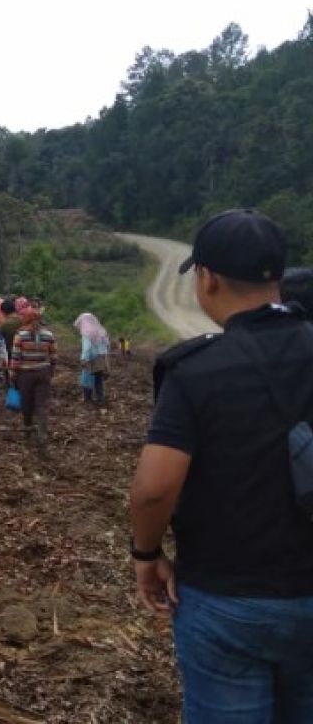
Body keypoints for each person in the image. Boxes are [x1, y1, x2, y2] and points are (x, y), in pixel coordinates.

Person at [129, 209, 313, 722]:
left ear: (206, 279)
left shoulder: (195, 370)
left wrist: (146, 554)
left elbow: (153, 489)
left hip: (228, 598)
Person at [9, 308, 57, 457]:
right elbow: (54, 357)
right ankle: (42, 437)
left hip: (26, 375)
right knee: (42, 406)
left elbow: (16, 357)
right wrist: (50, 371)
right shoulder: (49, 335)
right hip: (43, 373)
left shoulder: (20, 335)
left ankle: (28, 430)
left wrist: (12, 373)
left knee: (27, 404)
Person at [74, 312, 111, 406]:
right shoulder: (101, 331)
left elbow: (87, 348)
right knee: (99, 380)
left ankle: (88, 399)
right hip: (101, 358)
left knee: (86, 379)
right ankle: (100, 399)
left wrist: (83, 359)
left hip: (90, 359)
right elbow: (106, 346)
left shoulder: (86, 333)